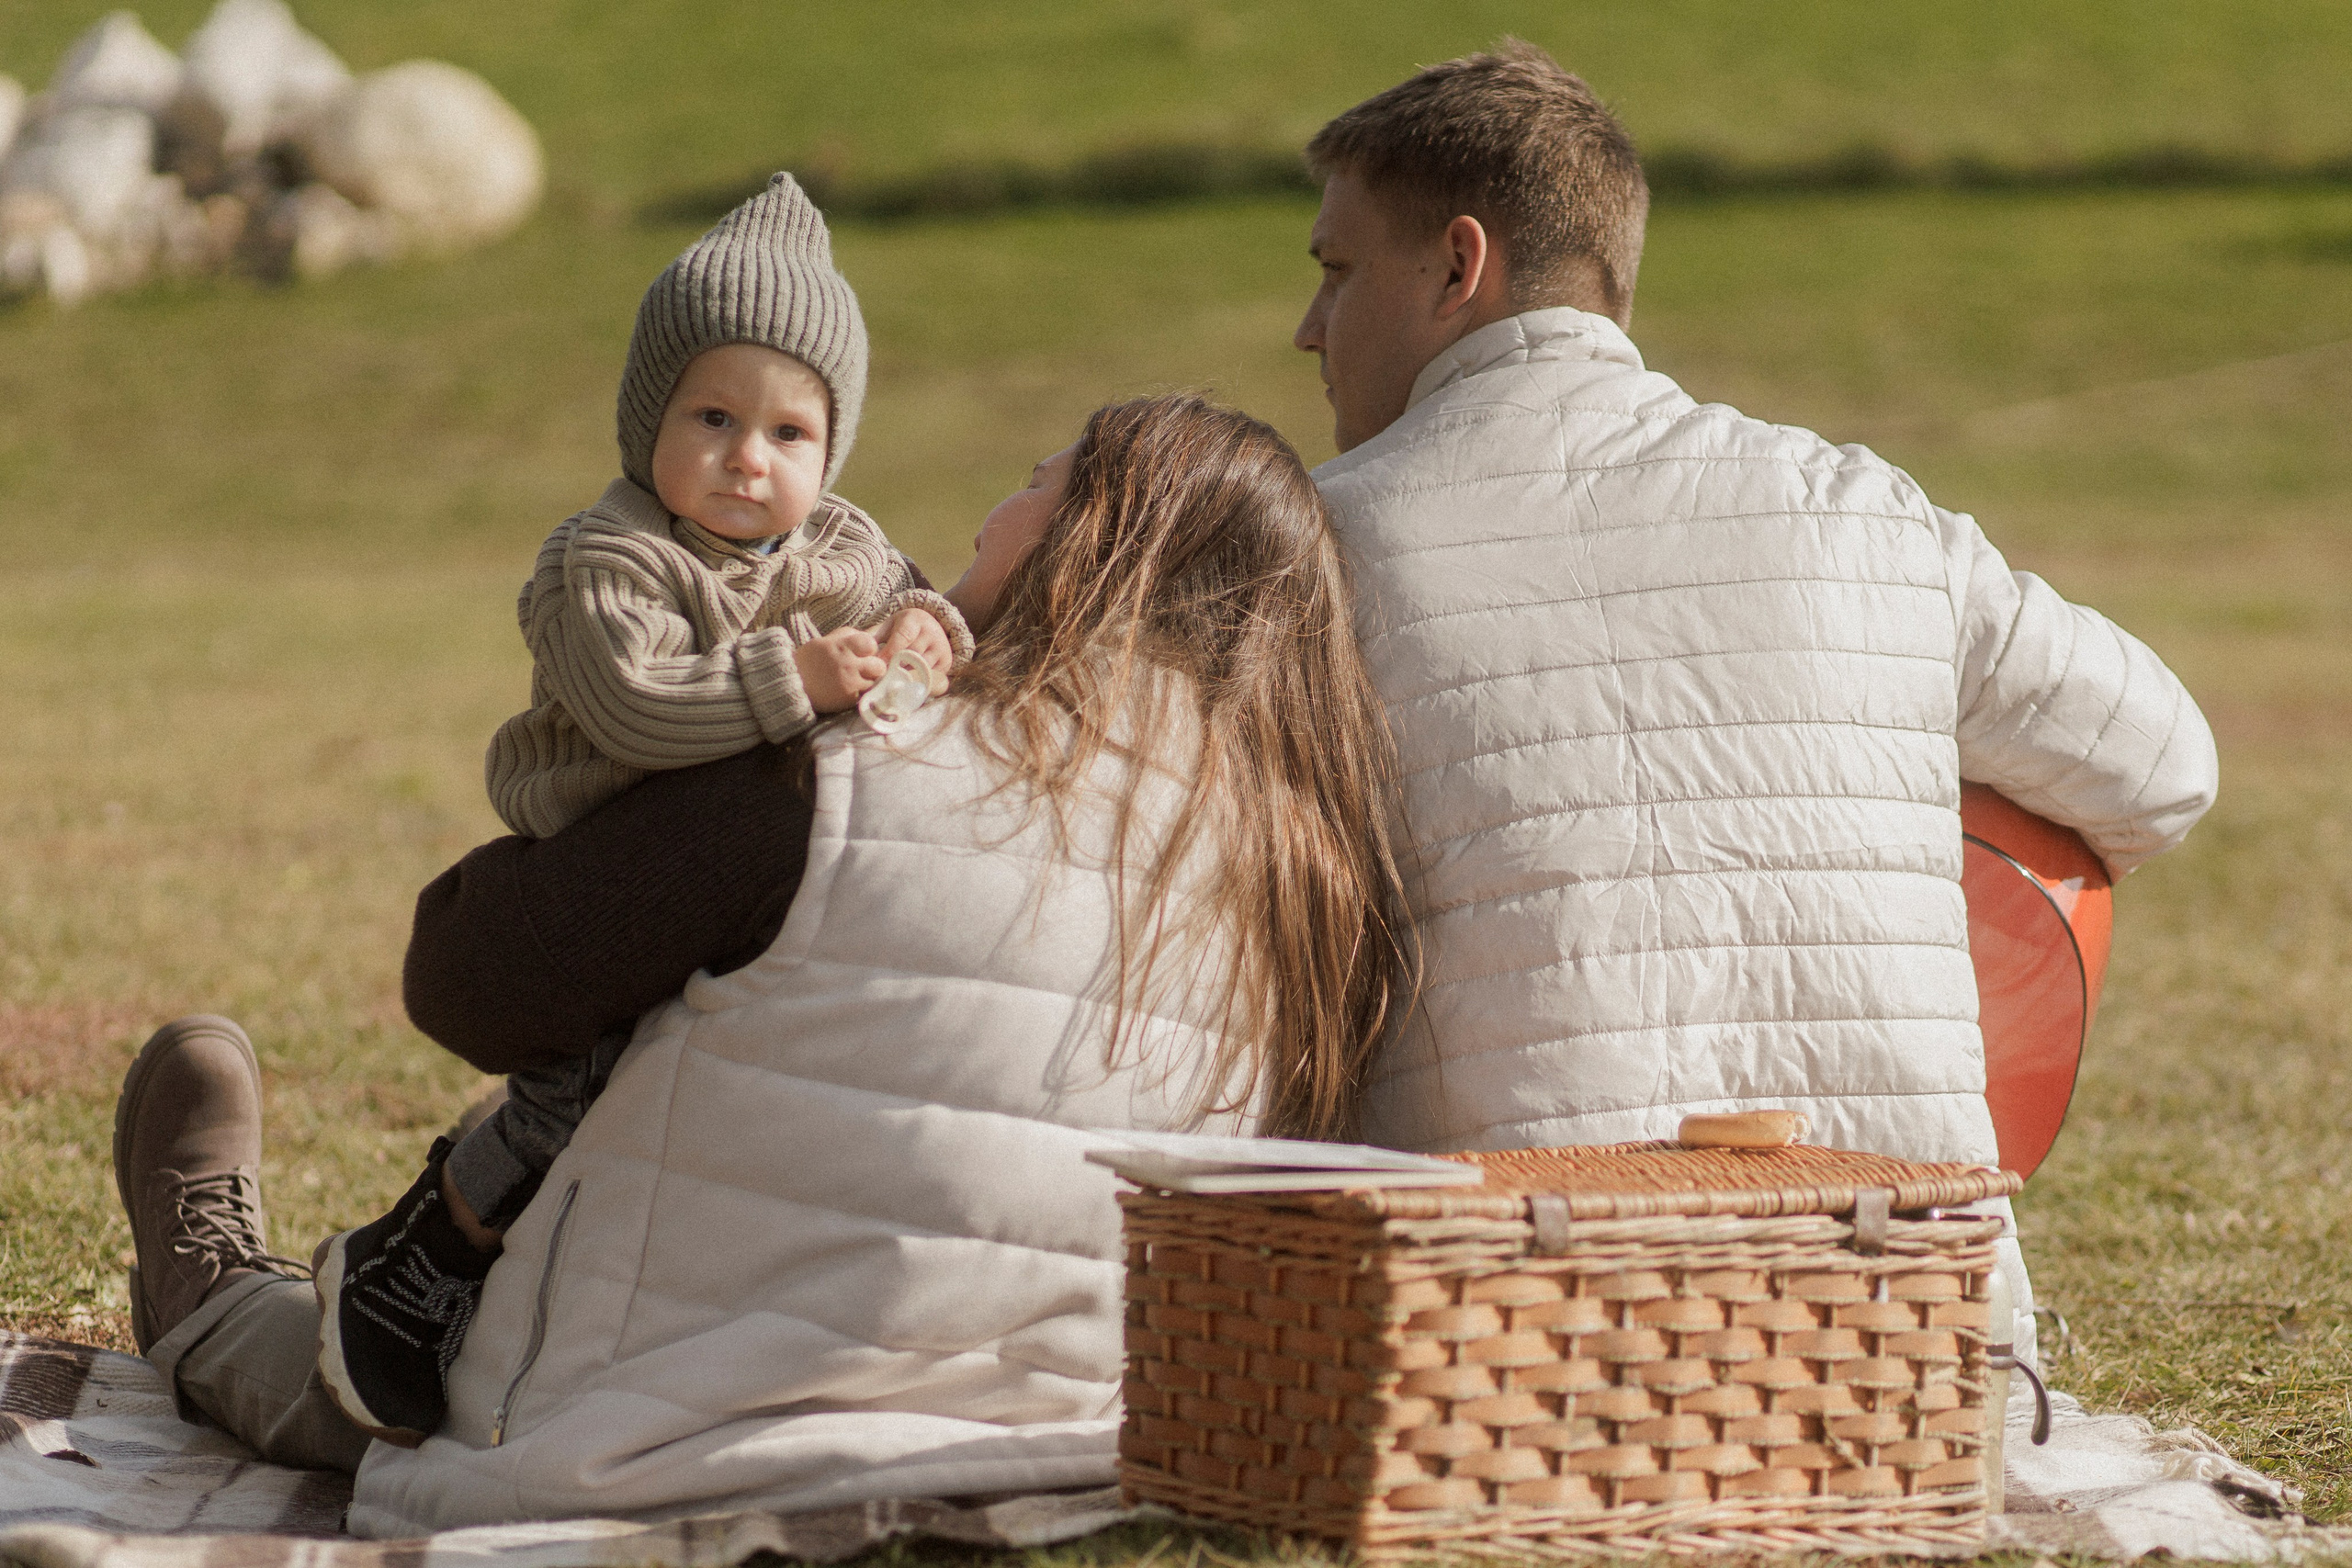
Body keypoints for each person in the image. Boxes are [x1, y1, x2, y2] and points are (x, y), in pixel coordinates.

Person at [112, 392, 1412, 1525]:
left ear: (1094, 552)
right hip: (1038, 1443)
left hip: (648, 1429)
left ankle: (208, 1299)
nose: (999, 503)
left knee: (341, 1368)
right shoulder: (1301, 886)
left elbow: (466, 979)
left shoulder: (853, 768)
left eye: (1039, 480)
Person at [1290, 41, 2219, 1359]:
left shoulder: (1303, 548)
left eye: (1335, 271)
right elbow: (2163, 768)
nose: (1309, 326)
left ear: (1456, 265)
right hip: (1904, 1352)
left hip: (1503, 1354)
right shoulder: (1861, 508)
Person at [305, 172, 972, 1448]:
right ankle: (429, 1253)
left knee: (680, 1112)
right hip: (602, 855)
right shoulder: (609, 557)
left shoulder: (839, 547)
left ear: (831, 452)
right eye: (712, 417)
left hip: (724, 889)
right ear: (645, 421)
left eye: (790, 434)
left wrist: (925, 630)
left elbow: (907, 609)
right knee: (571, 1098)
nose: (747, 460)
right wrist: (801, 676)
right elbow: (638, 710)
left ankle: (571, 1323)